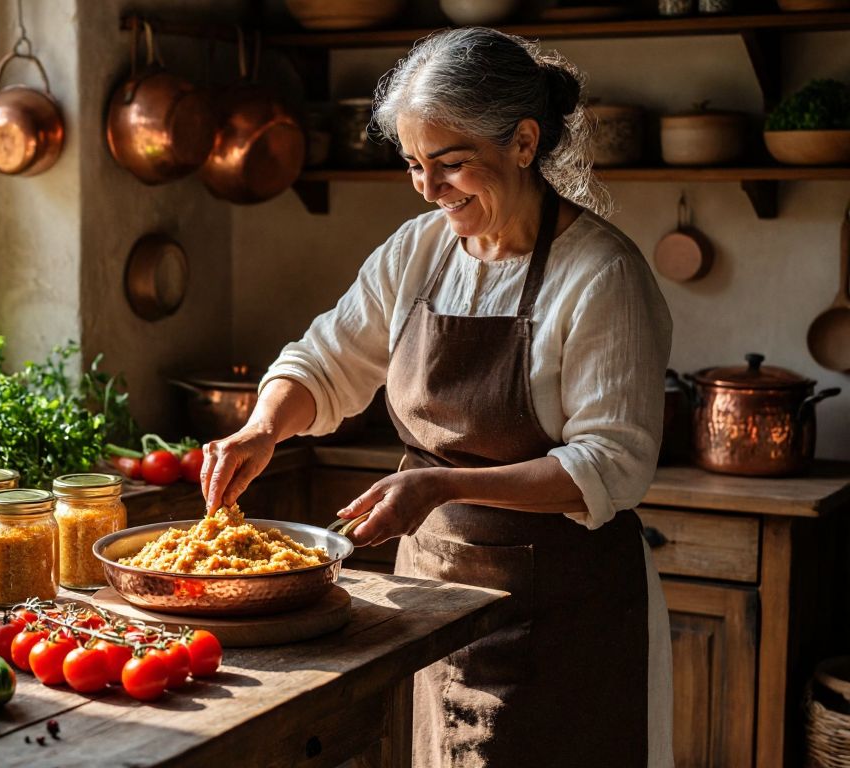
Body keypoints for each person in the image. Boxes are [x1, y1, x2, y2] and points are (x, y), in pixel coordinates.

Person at [200, 27, 674, 768]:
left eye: (451, 164)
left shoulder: (601, 275)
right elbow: (327, 359)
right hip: (430, 602)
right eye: (414, 164)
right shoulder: (418, 251)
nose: (427, 187)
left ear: (523, 142)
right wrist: (263, 427)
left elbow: (610, 466)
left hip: (563, 612)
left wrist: (438, 484)